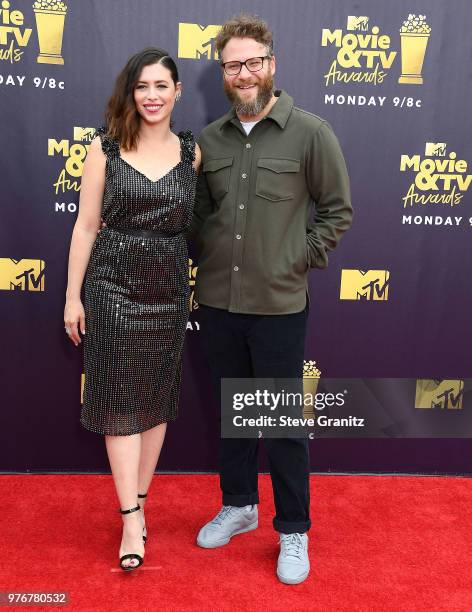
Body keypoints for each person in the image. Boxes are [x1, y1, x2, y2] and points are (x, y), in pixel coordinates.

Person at [191, 15, 352, 585]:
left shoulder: (312, 133)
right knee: (232, 414)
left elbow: (336, 211)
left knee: (282, 422)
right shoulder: (208, 141)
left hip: (280, 305)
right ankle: (239, 505)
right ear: (224, 73)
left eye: (253, 61)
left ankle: (293, 531)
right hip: (216, 304)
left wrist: (297, 257)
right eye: (232, 65)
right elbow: (199, 219)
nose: (243, 72)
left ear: (272, 64)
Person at [64, 47, 200, 571]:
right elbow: (85, 226)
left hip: (167, 289)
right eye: (142, 86)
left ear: (177, 92)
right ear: (131, 92)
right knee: (120, 399)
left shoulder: (193, 152)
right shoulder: (105, 148)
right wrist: (73, 295)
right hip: (113, 288)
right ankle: (129, 519)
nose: (151, 96)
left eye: (161, 86)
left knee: (156, 399)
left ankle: (140, 503)